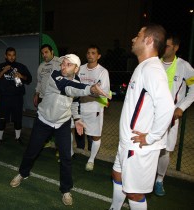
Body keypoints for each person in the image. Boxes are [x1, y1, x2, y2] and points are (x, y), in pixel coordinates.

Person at [9, 54, 110, 206]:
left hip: (62, 122)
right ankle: (23, 173)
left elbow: (75, 102)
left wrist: (77, 119)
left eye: (68, 64)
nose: (63, 66)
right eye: (63, 63)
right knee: (32, 151)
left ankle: (66, 190)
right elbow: (68, 89)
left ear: (76, 68)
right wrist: (91, 89)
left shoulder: (77, 82)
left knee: (66, 158)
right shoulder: (55, 76)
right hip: (43, 120)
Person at [109, 24, 175, 210]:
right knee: (117, 174)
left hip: (138, 146)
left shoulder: (152, 69)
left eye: (137, 35)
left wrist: (151, 137)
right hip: (128, 142)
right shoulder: (144, 66)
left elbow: (167, 107)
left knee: (135, 193)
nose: (133, 39)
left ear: (148, 40)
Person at [154, 34, 194, 196]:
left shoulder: (184, 66)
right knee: (149, 147)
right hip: (152, 115)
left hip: (171, 118)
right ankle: (147, 177)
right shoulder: (154, 64)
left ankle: (159, 180)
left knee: (165, 150)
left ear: (176, 47)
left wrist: (181, 107)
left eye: (168, 46)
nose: (164, 48)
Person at [75, 45, 111, 171]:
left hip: (94, 108)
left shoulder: (103, 72)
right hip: (79, 106)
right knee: (71, 129)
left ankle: (91, 160)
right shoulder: (80, 69)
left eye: (93, 53)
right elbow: (74, 86)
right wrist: (91, 90)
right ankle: (70, 152)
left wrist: (85, 91)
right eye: (88, 52)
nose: (90, 55)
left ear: (98, 56)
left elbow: (103, 92)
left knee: (95, 136)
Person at [0, 47, 32, 145]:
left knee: (18, 118)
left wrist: (21, 76)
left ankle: (18, 137)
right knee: (2, 118)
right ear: (5, 56)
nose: (11, 57)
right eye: (9, 55)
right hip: (5, 97)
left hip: (17, 97)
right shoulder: (0, 66)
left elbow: (29, 79)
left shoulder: (21, 66)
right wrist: (3, 70)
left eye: (13, 55)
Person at [34, 44, 61, 150]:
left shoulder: (60, 62)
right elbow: (39, 82)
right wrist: (36, 93)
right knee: (44, 121)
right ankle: (47, 141)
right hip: (43, 97)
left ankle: (60, 147)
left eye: (46, 52)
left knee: (57, 122)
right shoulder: (41, 66)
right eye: (42, 53)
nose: (44, 55)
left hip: (55, 98)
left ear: (52, 52)